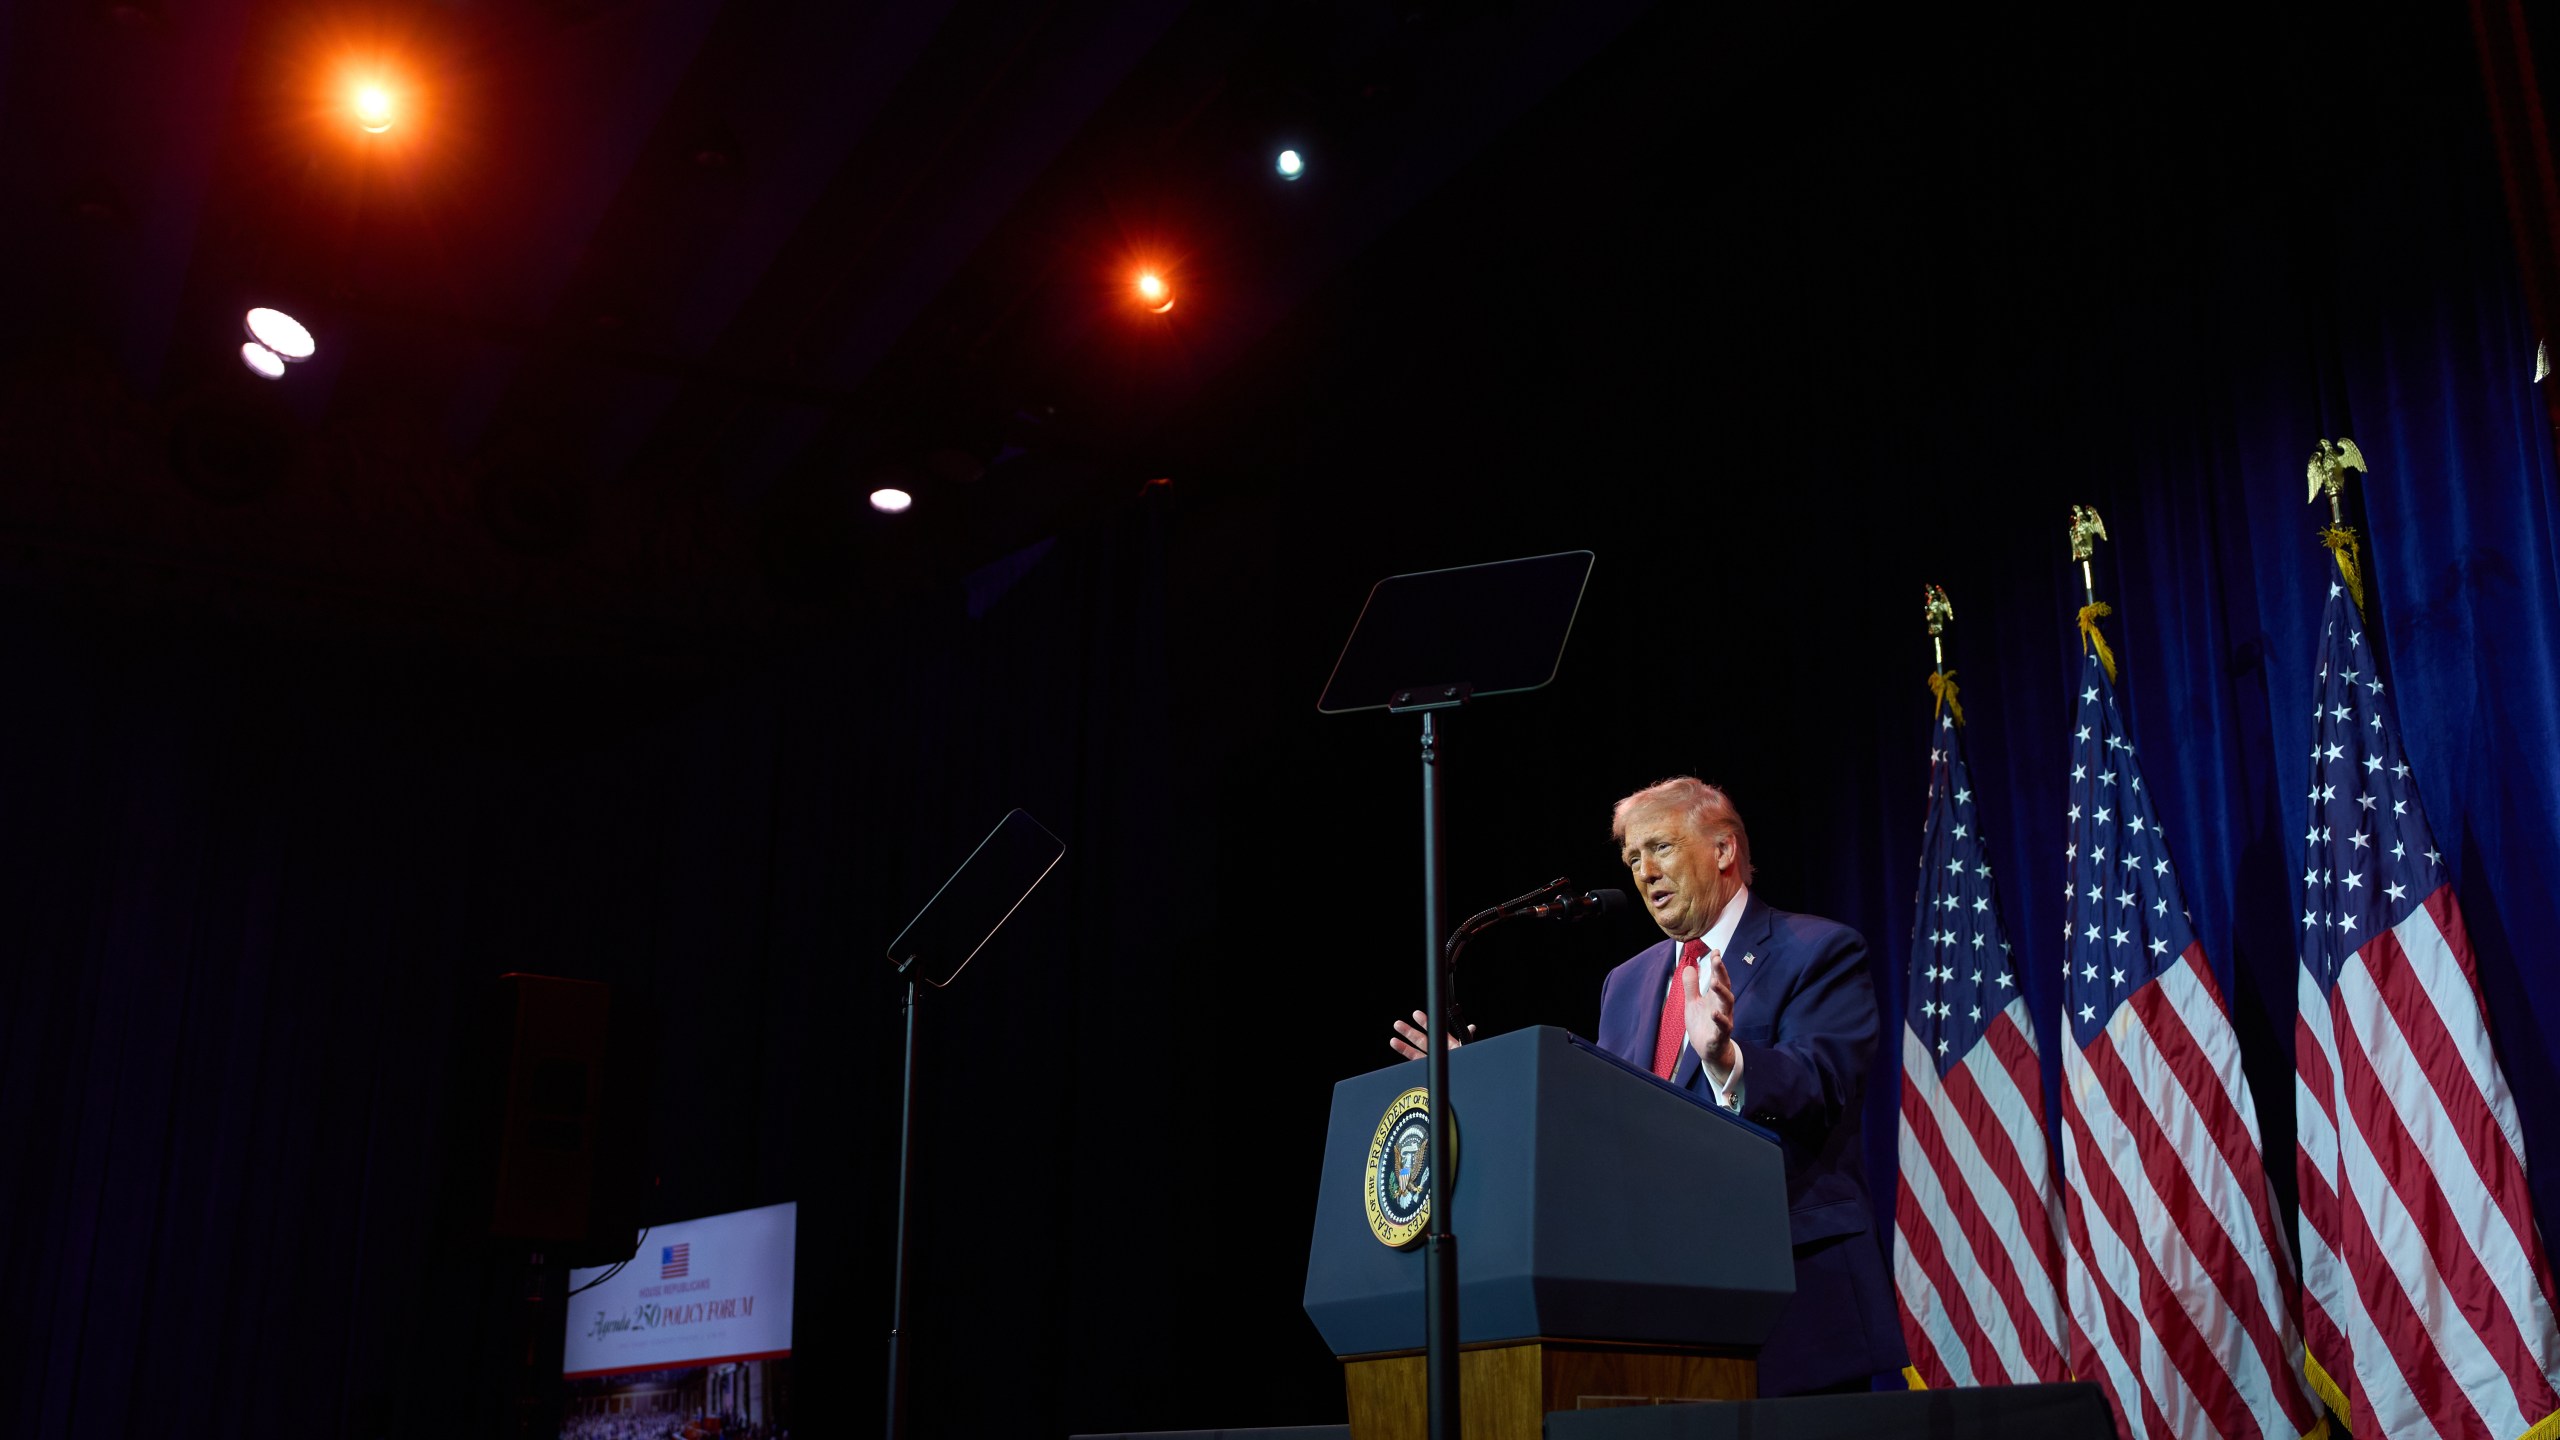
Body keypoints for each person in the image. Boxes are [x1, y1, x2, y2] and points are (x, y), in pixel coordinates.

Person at [1389, 776, 1904, 1396]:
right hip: (1659, 1307)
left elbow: (1822, 1083)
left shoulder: (1817, 949)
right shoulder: (1626, 982)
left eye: (1659, 847)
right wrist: (1482, 1081)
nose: (1643, 871)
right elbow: (1602, 1120)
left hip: (1790, 1294)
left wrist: (1727, 1059)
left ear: (1723, 850)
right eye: (1632, 858)